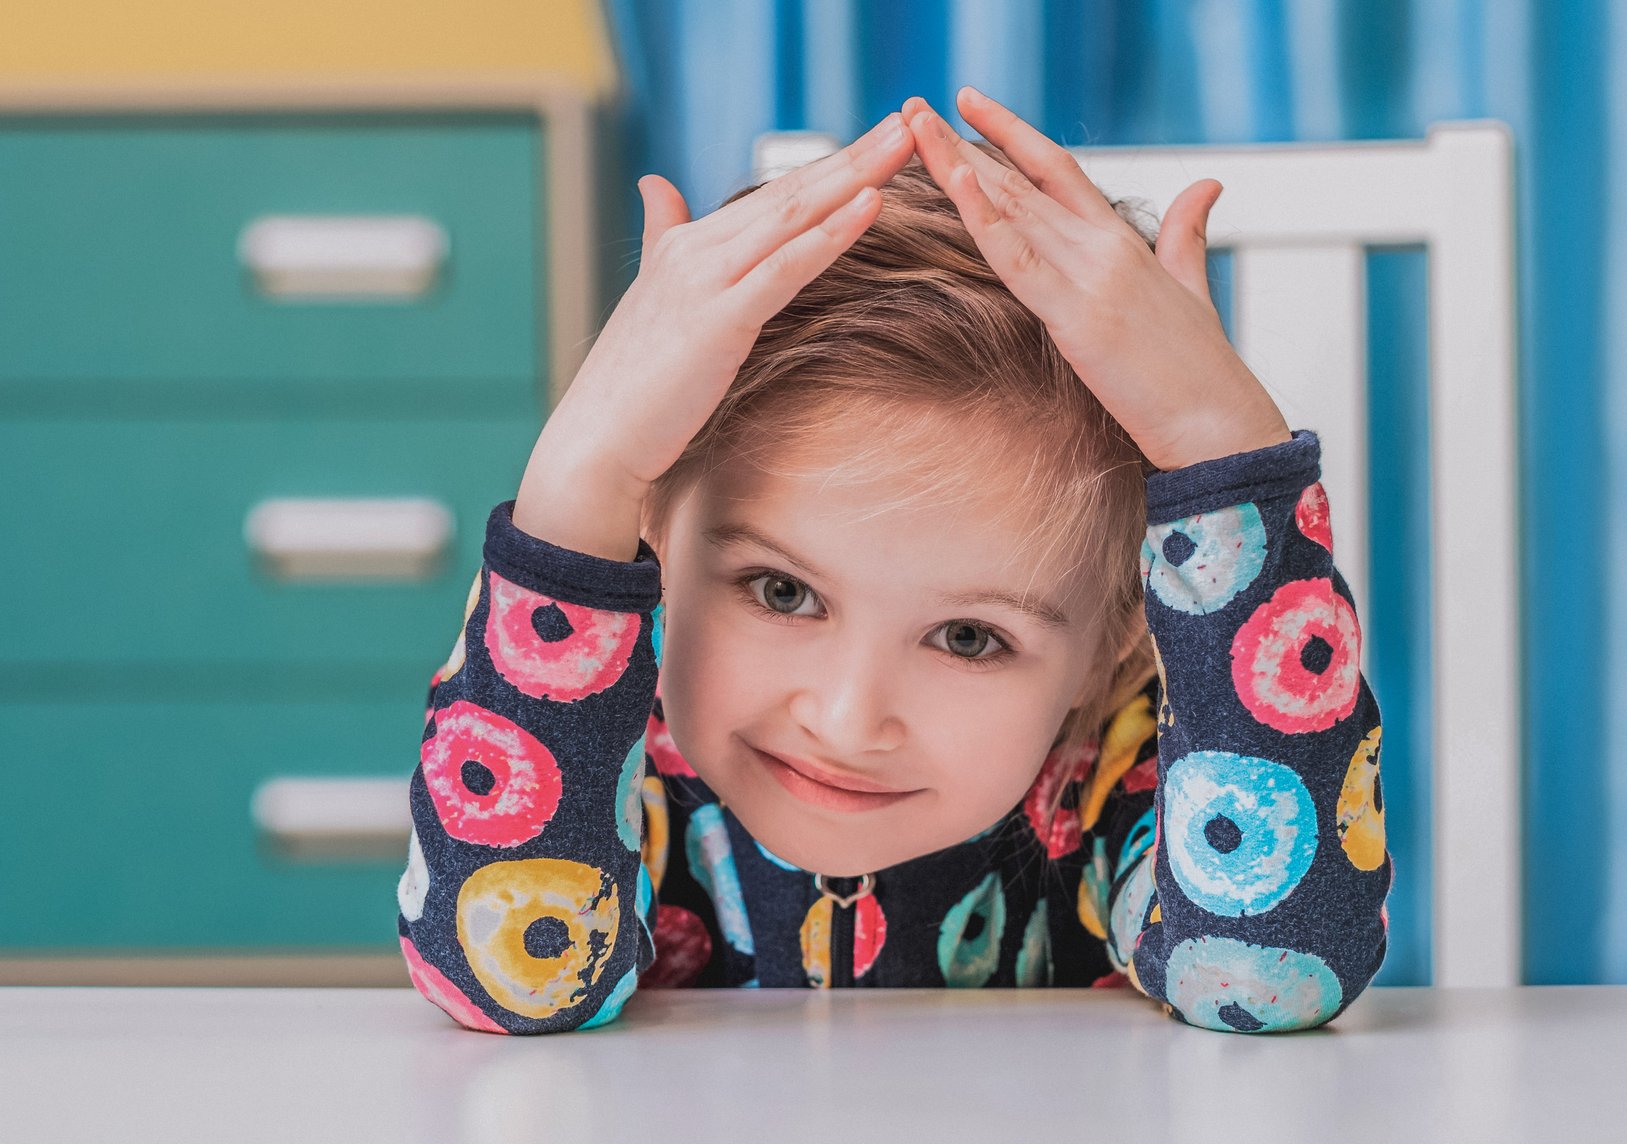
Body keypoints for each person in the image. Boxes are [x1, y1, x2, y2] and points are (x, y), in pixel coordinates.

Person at [396, 88, 1391, 1035]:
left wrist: (1220, 447)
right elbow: (507, 982)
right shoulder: (614, 758)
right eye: (782, 591)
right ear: (653, 520)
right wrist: (582, 478)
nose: (846, 719)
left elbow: (1269, 974)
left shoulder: (1115, 785)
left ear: (1113, 639)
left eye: (969, 637)